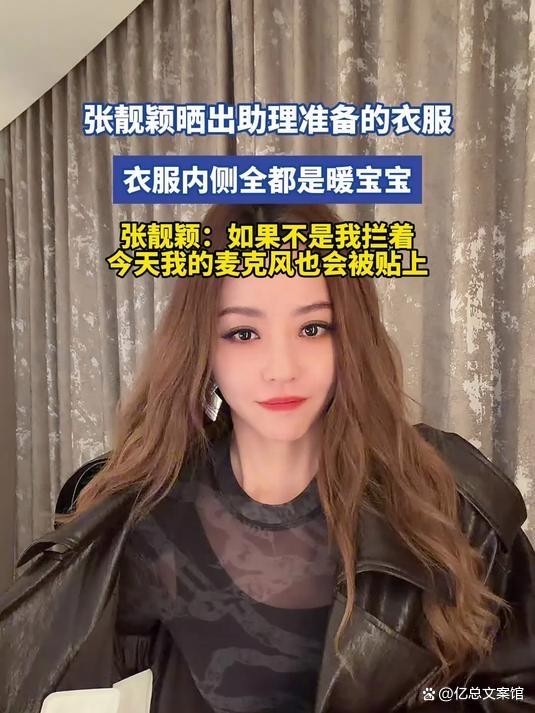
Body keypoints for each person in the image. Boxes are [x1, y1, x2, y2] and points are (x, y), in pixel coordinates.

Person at [0, 203, 534, 713]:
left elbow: (517, 690)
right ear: (202, 346)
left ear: (351, 337)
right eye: (243, 333)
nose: (281, 368)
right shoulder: (147, 516)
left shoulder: (451, 497)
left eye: (312, 328)